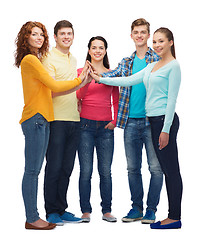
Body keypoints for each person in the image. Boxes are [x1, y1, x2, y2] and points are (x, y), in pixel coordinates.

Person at [91, 27, 183, 229]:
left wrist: (166, 129)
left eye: (161, 41)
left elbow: (171, 101)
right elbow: (127, 80)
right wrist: (100, 79)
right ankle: (165, 214)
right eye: (156, 42)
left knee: (169, 171)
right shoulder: (153, 66)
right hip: (151, 121)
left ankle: (174, 217)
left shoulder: (173, 66)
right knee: (159, 169)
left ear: (171, 43)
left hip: (162, 122)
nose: (158, 45)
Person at [15, 21, 88, 230]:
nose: (38, 38)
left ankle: (41, 215)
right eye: (33, 34)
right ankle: (32, 217)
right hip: (36, 118)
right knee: (33, 171)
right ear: (26, 38)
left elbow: (48, 90)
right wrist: (79, 81)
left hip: (43, 118)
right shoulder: (32, 60)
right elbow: (54, 86)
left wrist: (79, 92)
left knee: (39, 170)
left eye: (40, 35)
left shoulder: (36, 59)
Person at [99, 18, 163, 224]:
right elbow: (113, 75)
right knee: (133, 168)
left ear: (148, 35)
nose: (139, 35)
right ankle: (136, 208)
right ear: (131, 35)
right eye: (136, 32)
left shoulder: (158, 59)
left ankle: (151, 209)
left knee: (155, 168)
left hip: (152, 121)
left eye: (143, 32)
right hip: (130, 122)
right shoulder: (127, 62)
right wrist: (93, 73)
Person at [43, 20, 88, 226]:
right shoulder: (47, 57)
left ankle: (62, 209)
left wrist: (81, 91)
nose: (66, 37)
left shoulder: (73, 59)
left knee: (67, 168)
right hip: (56, 120)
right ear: (55, 37)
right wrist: (79, 82)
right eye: (62, 34)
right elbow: (51, 91)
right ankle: (51, 211)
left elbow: (73, 89)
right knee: (54, 167)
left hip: (74, 119)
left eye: (69, 33)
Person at [77, 36, 119, 222]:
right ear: (89, 50)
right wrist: (86, 77)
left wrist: (115, 120)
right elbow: (78, 96)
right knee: (86, 170)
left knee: (105, 171)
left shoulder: (111, 74)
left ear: (105, 51)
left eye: (101, 47)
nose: (97, 50)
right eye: (94, 47)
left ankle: (107, 210)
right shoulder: (80, 71)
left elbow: (117, 99)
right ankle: (85, 210)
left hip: (105, 127)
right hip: (84, 125)